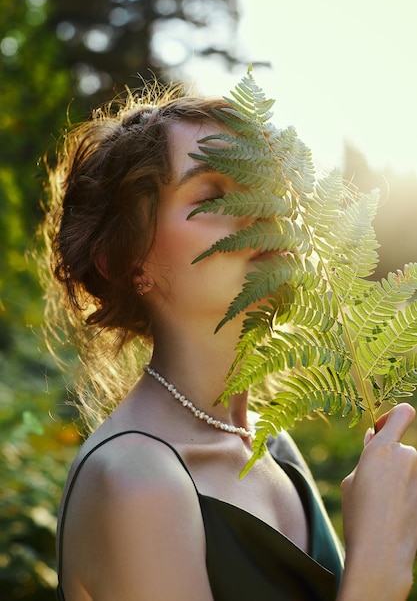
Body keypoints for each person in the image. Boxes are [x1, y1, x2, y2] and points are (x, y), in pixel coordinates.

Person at [41, 83, 417, 601]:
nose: (259, 212)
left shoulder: (272, 446)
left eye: (262, 188)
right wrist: (377, 568)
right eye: (213, 195)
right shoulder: (134, 480)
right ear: (127, 261)